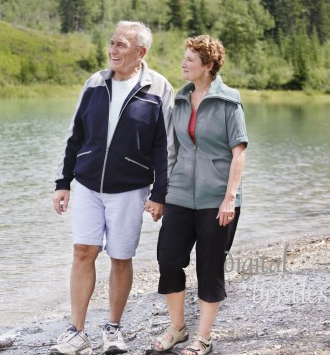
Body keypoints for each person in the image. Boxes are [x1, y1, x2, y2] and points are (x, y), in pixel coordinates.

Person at [51, 20, 175, 355]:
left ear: (141, 52)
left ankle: (113, 329)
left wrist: (160, 193)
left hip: (130, 188)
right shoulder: (95, 83)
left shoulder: (159, 88)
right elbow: (75, 135)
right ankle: (76, 332)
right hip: (88, 184)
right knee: (82, 251)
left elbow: (165, 147)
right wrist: (64, 182)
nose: (112, 50)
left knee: (121, 257)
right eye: (111, 43)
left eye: (121, 45)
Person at [152, 35, 248, 355]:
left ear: (208, 66)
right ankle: (178, 328)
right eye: (184, 57)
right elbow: (171, 152)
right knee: (168, 260)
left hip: (216, 200)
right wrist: (160, 194)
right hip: (179, 195)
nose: (183, 63)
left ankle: (202, 337)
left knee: (209, 266)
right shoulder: (180, 101)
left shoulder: (228, 101)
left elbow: (239, 153)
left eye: (190, 59)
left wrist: (229, 197)